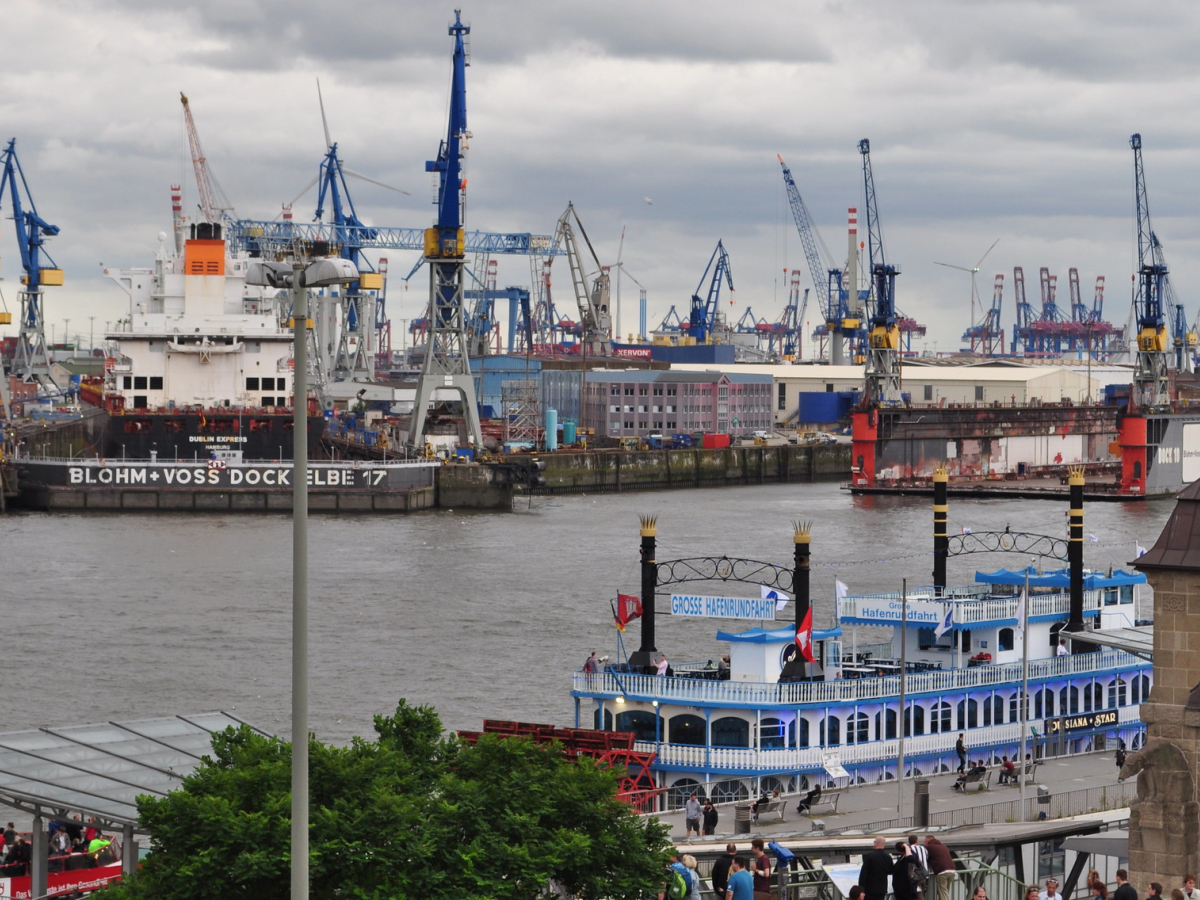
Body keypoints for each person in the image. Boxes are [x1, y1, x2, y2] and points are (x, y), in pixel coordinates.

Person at [858, 836, 893, 900]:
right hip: (882, 889)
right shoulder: (888, 857)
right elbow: (890, 871)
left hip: (870, 890)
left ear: (876, 843)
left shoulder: (869, 856)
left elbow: (864, 873)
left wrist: (861, 888)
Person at [924, 835, 955, 900]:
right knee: (944, 892)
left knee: (943, 894)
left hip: (942, 872)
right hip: (952, 870)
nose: (924, 844)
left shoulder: (929, 847)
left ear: (928, 841)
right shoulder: (943, 846)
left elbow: (925, 857)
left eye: (925, 842)